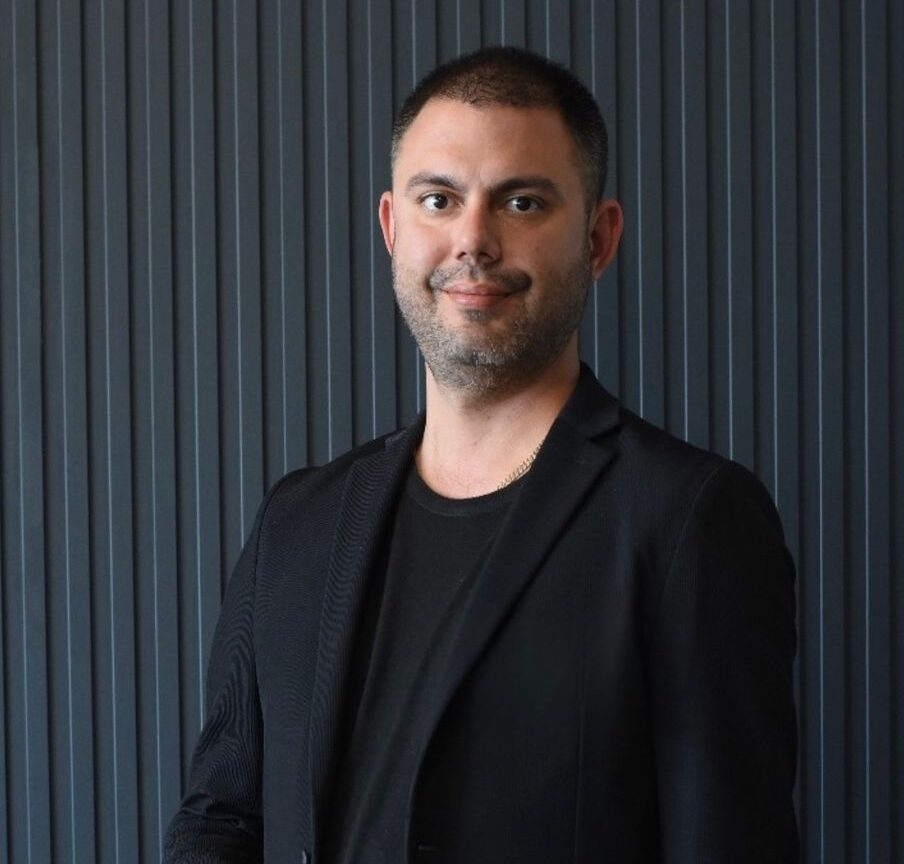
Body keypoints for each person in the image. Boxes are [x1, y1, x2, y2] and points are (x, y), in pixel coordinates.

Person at [164, 46, 797, 863]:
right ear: (393, 227)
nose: (473, 239)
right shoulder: (297, 521)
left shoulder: (689, 520)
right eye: (439, 200)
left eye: (522, 202)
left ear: (599, 239)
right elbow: (220, 819)